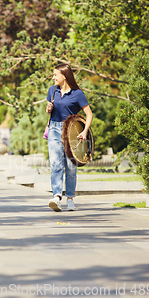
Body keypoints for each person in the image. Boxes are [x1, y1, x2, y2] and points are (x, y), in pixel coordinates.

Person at [45, 64, 93, 212]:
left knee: (71, 167)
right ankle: (57, 197)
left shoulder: (77, 94)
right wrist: (48, 109)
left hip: (71, 131)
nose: (53, 77)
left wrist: (84, 132)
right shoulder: (52, 90)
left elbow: (89, 114)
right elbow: (49, 109)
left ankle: (70, 198)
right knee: (55, 164)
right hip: (54, 129)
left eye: (55, 75)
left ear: (64, 76)